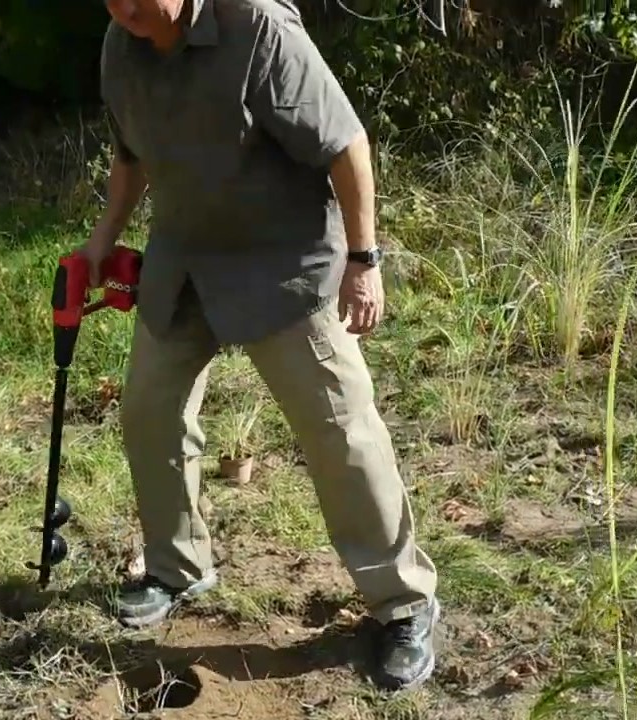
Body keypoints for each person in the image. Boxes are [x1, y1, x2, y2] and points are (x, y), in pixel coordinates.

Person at [85, 0, 441, 693]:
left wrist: (364, 260)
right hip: (184, 261)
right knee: (149, 412)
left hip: (282, 265)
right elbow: (130, 156)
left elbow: (346, 145)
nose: (125, 7)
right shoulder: (121, 44)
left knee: (340, 429)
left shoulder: (259, 30)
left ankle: (403, 603)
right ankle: (177, 566)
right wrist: (105, 237)